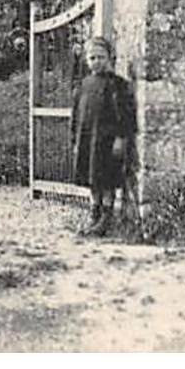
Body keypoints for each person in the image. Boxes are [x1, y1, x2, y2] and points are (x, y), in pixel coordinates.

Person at [71, 38, 135, 236]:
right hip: (88, 138)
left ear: (109, 58)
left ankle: (106, 218)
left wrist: (121, 138)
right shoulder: (84, 85)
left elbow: (124, 114)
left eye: (100, 57)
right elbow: (76, 113)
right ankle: (94, 213)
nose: (96, 62)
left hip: (106, 141)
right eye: (92, 58)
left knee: (106, 179)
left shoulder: (117, 84)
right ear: (86, 61)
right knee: (92, 178)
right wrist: (75, 139)